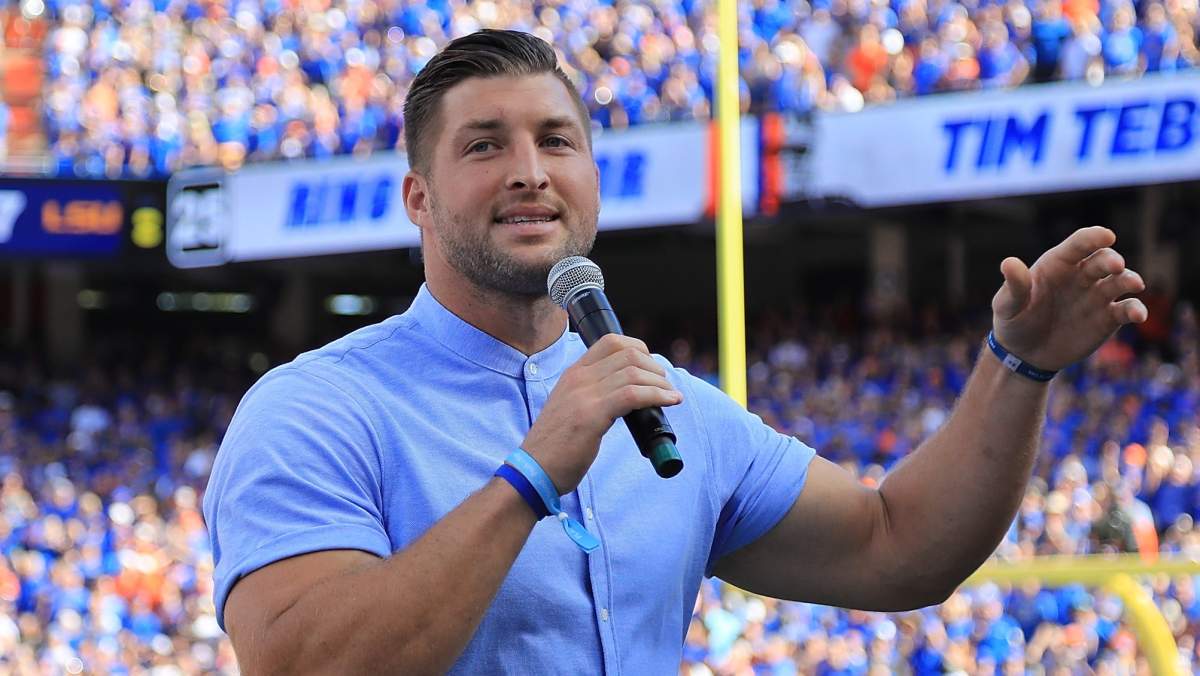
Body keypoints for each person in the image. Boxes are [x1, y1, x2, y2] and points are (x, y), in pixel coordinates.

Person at [201, 29, 1148, 674]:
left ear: (591, 175)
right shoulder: (315, 408)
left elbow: (899, 549)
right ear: (418, 197)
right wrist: (533, 473)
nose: (529, 171)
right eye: (484, 146)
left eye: (556, 140)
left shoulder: (670, 408)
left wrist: (1018, 364)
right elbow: (300, 662)